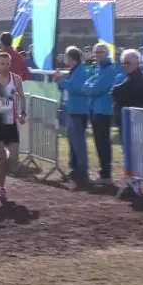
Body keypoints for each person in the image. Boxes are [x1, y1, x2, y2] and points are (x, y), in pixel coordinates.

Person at [0, 53, 27, 199]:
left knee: (14, 158)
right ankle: (2, 187)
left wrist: (23, 113)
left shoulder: (16, 79)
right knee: (2, 157)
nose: (5, 67)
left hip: (11, 123)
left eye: (8, 64)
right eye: (2, 64)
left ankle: (2, 167)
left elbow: (22, 96)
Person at [82, 43, 117, 185]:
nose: (96, 55)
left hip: (104, 110)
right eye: (95, 52)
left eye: (99, 52)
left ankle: (106, 174)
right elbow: (86, 85)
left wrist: (89, 87)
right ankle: (104, 172)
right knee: (99, 142)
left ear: (106, 53)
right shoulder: (98, 68)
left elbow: (96, 88)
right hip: (95, 109)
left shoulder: (109, 70)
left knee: (103, 142)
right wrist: (90, 87)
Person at [55, 46, 90, 184]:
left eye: (66, 56)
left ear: (72, 58)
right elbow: (65, 87)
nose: (64, 58)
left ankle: (82, 170)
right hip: (72, 109)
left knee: (79, 142)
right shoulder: (74, 71)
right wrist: (60, 81)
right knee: (72, 141)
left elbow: (77, 89)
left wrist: (62, 81)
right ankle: (75, 169)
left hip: (78, 111)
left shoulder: (81, 72)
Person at [111, 49, 143, 135]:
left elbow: (119, 91)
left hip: (136, 124)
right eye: (123, 63)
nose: (125, 65)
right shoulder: (129, 77)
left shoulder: (139, 79)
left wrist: (115, 90)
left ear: (137, 63)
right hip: (126, 122)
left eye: (127, 63)